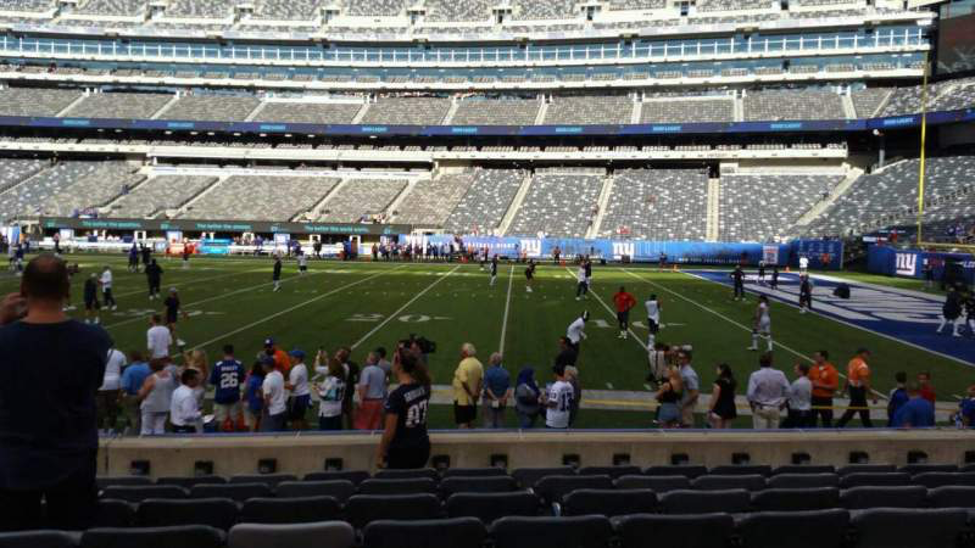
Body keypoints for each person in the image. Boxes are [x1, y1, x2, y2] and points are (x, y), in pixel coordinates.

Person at [0, 254, 112, 532]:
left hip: (13, 461)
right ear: (67, 290)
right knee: (72, 536)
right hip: (73, 459)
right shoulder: (95, 338)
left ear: (23, 289)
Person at [376, 347, 432, 469]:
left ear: (399, 365)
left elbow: (389, 433)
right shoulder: (423, 387)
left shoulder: (397, 395)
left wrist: (380, 453)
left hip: (402, 452)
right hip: (422, 447)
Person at [746, 352, 790, 429]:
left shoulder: (755, 375)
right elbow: (789, 391)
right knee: (773, 435)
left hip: (761, 407)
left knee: (760, 436)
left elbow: (750, 394)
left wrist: (752, 405)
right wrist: (784, 404)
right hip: (775, 408)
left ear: (760, 363)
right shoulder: (780, 374)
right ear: (771, 363)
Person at [209, 344, 245, 432]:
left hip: (221, 396)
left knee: (221, 420)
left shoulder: (218, 366)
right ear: (233, 352)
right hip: (234, 395)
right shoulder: (239, 364)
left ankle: (220, 439)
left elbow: (212, 381)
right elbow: (242, 379)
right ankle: (235, 436)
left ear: (223, 352)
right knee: (235, 419)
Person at [836, 348, 875, 428]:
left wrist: (844, 389)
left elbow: (848, 377)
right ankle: (838, 426)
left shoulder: (852, 362)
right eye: (867, 354)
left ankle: (839, 426)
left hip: (852, 389)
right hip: (859, 391)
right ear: (862, 354)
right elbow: (864, 382)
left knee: (859, 412)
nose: (868, 356)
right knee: (856, 412)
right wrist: (872, 395)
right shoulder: (862, 366)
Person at [138, 358, 178, 435]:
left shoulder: (151, 378)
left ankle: (145, 446)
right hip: (164, 405)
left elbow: (143, 393)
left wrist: (139, 391)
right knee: (159, 429)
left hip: (150, 406)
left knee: (146, 429)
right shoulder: (170, 375)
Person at [96, 346, 127, 435]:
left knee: (99, 409)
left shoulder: (97, 352)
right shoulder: (119, 354)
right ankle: (111, 428)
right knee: (113, 408)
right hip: (115, 384)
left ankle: (100, 430)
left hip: (100, 384)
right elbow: (123, 371)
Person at [452, 342, 483, 429]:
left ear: (466, 352)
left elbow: (463, 381)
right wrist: (476, 393)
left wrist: (471, 393)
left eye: (462, 351)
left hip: (462, 399)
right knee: (471, 421)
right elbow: (480, 380)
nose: (460, 353)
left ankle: (462, 441)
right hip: (472, 399)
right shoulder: (479, 364)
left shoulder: (463, 363)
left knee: (462, 423)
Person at [119, 351, 150, 436]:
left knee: (135, 418)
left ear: (131, 359)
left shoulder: (129, 370)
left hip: (133, 396)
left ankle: (135, 437)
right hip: (147, 396)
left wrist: (120, 397)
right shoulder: (148, 367)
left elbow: (125, 386)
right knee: (147, 417)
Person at [354, 352, 387, 430]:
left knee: (364, 425)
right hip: (379, 401)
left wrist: (361, 399)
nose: (366, 359)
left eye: (368, 357)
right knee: (376, 425)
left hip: (369, 401)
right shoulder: (381, 371)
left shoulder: (367, 370)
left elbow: (364, 385)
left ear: (371, 359)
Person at [808, 350, 838, 428]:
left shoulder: (831, 370)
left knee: (826, 420)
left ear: (823, 357)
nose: (815, 358)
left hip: (826, 399)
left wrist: (820, 385)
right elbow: (809, 380)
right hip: (814, 398)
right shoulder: (813, 368)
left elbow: (834, 387)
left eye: (817, 356)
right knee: (811, 420)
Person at [316, 357, 347, 431]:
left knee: (325, 435)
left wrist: (316, 389)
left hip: (327, 411)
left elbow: (324, 396)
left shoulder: (332, 380)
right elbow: (332, 393)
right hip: (337, 409)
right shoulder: (341, 379)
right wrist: (321, 388)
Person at [482, 352, 511, 429]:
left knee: (489, 422)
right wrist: (503, 399)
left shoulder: (488, 372)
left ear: (492, 361)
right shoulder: (506, 373)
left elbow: (487, 388)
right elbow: (508, 388)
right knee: (500, 422)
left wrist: (495, 398)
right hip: (502, 400)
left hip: (490, 400)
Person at [286, 349, 311, 430]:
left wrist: (281, 385)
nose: (290, 357)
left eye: (291, 356)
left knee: (295, 419)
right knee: (301, 417)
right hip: (304, 395)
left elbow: (292, 387)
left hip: (297, 397)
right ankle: (308, 433)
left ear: (297, 358)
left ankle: (297, 436)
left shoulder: (295, 370)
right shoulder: (303, 366)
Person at [544, 364, 574, 430]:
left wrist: (544, 402)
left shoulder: (556, 386)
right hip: (564, 419)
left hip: (554, 421)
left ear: (555, 374)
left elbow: (553, 404)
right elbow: (571, 401)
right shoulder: (570, 385)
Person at [260, 356, 287, 432]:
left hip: (273, 413)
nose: (262, 365)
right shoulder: (279, 374)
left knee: (270, 437)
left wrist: (263, 411)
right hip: (282, 409)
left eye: (263, 364)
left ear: (267, 366)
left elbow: (267, 401)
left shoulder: (267, 381)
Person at [707, 363, 737, 429]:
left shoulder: (718, 383)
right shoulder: (733, 382)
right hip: (730, 408)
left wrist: (709, 410)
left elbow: (714, 398)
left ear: (722, 371)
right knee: (727, 431)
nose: (716, 370)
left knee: (717, 433)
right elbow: (734, 395)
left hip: (719, 409)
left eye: (718, 369)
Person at [337, 346, 360, 430]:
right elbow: (358, 377)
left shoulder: (338, 365)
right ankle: (351, 429)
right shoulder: (353, 364)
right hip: (349, 390)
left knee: (340, 412)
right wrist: (352, 382)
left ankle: (339, 428)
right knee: (349, 411)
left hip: (341, 391)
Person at [784, 363, 813, 428]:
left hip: (797, 412)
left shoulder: (797, 383)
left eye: (796, 370)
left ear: (801, 372)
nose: (794, 371)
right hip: (806, 410)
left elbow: (789, 395)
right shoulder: (809, 382)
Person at [677, 349, 699, 428]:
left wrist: (684, 404)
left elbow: (695, 394)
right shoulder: (681, 369)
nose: (678, 358)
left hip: (686, 404)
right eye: (678, 357)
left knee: (687, 426)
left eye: (681, 357)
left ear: (687, 359)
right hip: (682, 402)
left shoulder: (689, 374)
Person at [243, 361, 265, 431]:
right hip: (259, 403)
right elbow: (260, 392)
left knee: (252, 421)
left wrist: (244, 398)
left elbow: (246, 389)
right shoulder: (261, 379)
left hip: (252, 402)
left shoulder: (250, 378)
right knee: (261, 420)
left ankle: (251, 435)